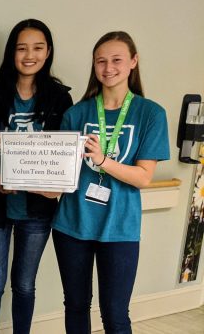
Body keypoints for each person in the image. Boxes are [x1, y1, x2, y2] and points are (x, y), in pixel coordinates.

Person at [53, 31, 169, 333]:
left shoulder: (151, 114)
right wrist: (23, 175)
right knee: (75, 305)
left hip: (120, 227)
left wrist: (103, 160)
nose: (108, 68)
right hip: (72, 224)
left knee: (115, 314)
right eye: (100, 61)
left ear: (133, 61)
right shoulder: (76, 113)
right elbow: (61, 177)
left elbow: (143, 177)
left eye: (117, 60)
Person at [0, 19, 73, 334]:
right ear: (11, 53)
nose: (29, 55)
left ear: (48, 52)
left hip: (39, 209)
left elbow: (66, 156)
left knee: (25, 285)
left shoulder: (60, 99)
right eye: (22, 47)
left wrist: (56, 188)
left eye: (38, 47)